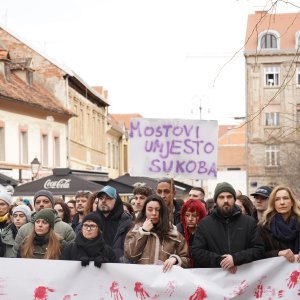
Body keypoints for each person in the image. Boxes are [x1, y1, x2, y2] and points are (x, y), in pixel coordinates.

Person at [192, 182, 264, 273]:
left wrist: (236, 259)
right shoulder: (204, 224)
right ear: (216, 200)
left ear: (234, 199)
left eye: (229, 197)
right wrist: (221, 260)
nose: (225, 200)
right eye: (221, 197)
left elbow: (259, 249)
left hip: (244, 279)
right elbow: (197, 252)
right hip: (215, 281)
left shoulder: (248, 222)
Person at [124, 194, 189, 272]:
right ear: (144, 211)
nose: (154, 213)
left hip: (165, 280)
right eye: (150, 209)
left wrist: (175, 259)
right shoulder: (135, 230)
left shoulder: (174, 234)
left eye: (158, 209)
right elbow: (130, 255)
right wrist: (143, 231)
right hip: (141, 279)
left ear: (163, 212)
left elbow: (187, 260)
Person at [13, 190, 75, 257]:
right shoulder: (24, 229)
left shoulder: (66, 228)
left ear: (52, 204)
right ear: (34, 206)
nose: (41, 204)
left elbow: (72, 255)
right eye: (37, 202)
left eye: (46, 201)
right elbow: (15, 256)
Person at [258, 186, 300, 262]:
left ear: (292, 202)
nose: (282, 202)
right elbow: (258, 253)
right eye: (277, 199)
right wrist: (278, 253)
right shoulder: (264, 226)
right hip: (276, 272)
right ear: (273, 204)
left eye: (286, 198)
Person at [95, 185, 132, 261]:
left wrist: (109, 257)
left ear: (117, 201)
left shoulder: (127, 223)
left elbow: (129, 250)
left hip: (117, 267)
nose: (103, 201)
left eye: (108, 198)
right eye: (101, 198)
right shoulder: (91, 220)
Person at [177, 199, 207, 267]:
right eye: (187, 215)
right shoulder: (178, 231)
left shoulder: (207, 231)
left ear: (201, 216)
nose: (190, 219)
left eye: (194, 215)